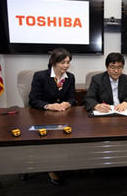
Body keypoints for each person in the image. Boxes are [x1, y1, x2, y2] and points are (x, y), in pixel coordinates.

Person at [28, 48, 75, 185]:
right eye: (63, 63)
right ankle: (51, 167)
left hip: (63, 115)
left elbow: (72, 97)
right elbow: (33, 100)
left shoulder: (70, 77)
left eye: (68, 62)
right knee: (51, 139)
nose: (66, 65)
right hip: (43, 116)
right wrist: (49, 106)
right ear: (53, 62)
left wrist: (67, 103)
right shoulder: (40, 76)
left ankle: (65, 163)